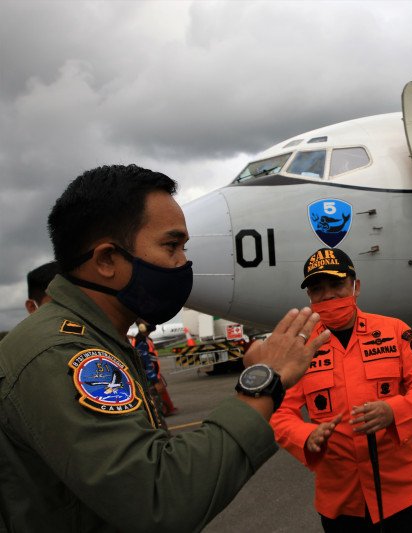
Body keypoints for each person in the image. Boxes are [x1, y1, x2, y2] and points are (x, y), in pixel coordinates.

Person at [0, 164, 330, 531]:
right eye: (171, 246)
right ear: (106, 260)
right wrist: (263, 382)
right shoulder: (61, 354)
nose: (183, 262)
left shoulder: (97, 338)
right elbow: (160, 497)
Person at [271, 247, 412, 532]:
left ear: (356, 286)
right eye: (318, 289)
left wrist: (393, 410)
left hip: (403, 495)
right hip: (340, 502)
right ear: (309, 297)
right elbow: (279, 411)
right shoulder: (299, 350)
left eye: (337, 285)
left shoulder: (394, 330)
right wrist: (306, 435)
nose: (328, 296)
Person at [133, 319, 178, 416]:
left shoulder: (146, 339)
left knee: (157, 399)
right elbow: (146, 363)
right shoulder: (141, 341)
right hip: (149, 378)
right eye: (147, 322)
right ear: (142, 326)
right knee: (155, 403)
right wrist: (155, 380)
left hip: (153, 376)